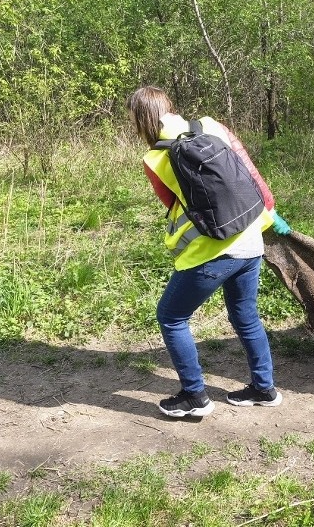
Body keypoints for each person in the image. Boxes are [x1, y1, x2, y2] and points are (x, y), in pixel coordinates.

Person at [126, 86, 292, 418]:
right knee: (245, 316)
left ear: (140, 119)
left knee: (171, 318)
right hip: (251, 239)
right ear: (169, 106)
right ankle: (264, 388)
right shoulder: (213, 125)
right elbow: (249, 170)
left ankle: (194, 397)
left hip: (212, 250)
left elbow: (173, 203)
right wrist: (270, 210)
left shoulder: (155, 157)